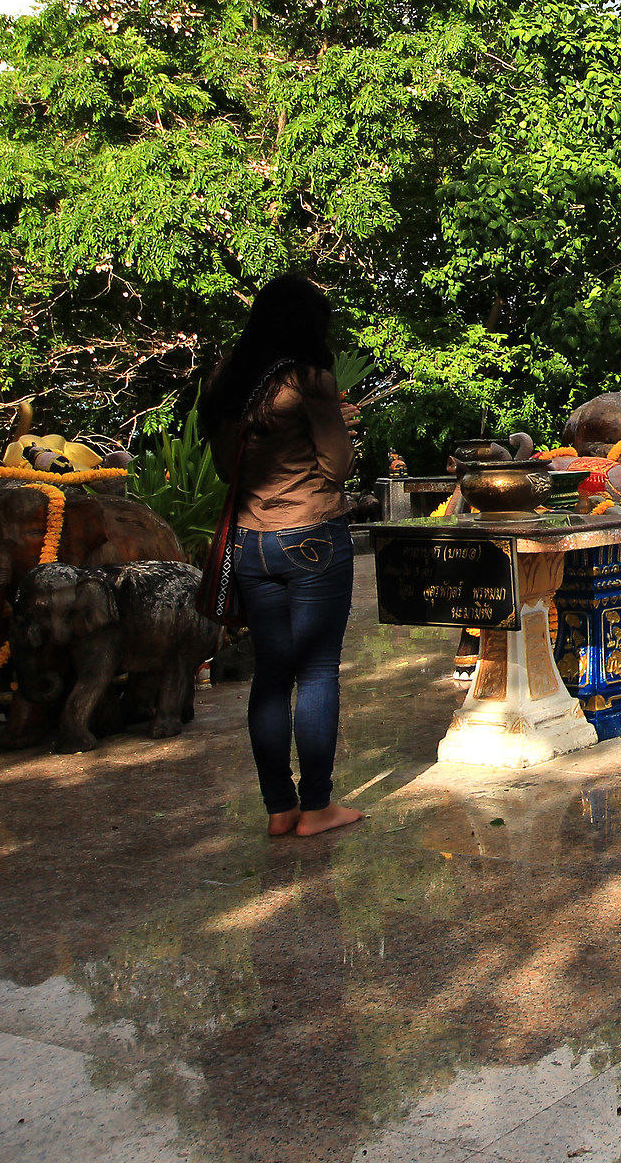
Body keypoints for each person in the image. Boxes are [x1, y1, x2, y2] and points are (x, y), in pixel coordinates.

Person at [201, 273, 364, 839]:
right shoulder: (309, 379)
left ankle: (279, 807)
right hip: (312, 535)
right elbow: (339, 464)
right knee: (317, 670)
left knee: (272, 674)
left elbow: (228, 469)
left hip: (250, 542)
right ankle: (317, 807)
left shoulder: (228, 381)